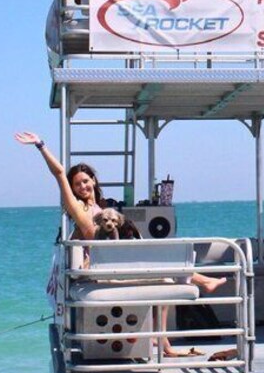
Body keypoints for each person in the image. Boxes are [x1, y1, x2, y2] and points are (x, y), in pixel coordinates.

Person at [15, 131, 225, 357]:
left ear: (93, 181)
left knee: (164, 276)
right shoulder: (79, 209)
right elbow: (59, 173)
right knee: (163, 273)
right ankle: (199, 287)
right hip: (95, 272)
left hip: (108, 266)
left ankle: (165, 342)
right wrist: (40, 145)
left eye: (85, 181)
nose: (82, 187)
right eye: (77, 184)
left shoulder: (102, 209)